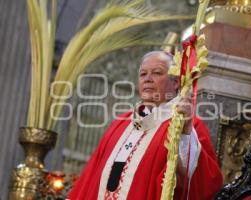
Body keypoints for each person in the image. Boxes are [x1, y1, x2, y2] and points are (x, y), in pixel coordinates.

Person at [68, 51, 223, 200]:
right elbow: (92, 173)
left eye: (157, 73)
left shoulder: (187, 123)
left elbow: (199, 181)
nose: (147, 79)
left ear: (175, 82)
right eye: (143, 74)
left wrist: (186, 131)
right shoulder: (122, 123)